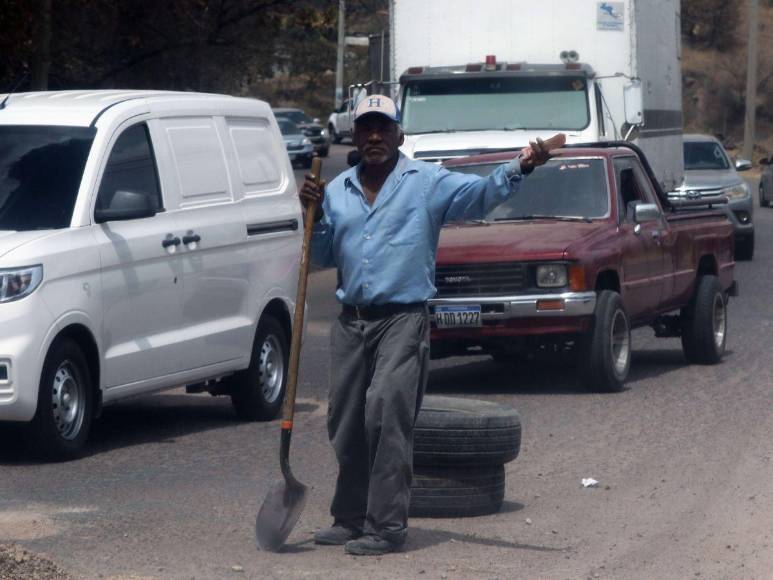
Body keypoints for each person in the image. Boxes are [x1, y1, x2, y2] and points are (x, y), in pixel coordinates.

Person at [300, 95, 555, 556]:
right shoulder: (337, 190)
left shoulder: (426, 182)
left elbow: (480, 195)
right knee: (345, 422)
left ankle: (387, 526)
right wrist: (312, 218)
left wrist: (521, 166)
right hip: (352, 322)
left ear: (399, 135)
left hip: (402, 320)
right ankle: (349, 517)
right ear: (354, 135)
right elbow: (321, 257)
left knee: (385, 414)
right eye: (366, 128)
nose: (374, 136)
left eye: (383, 127)